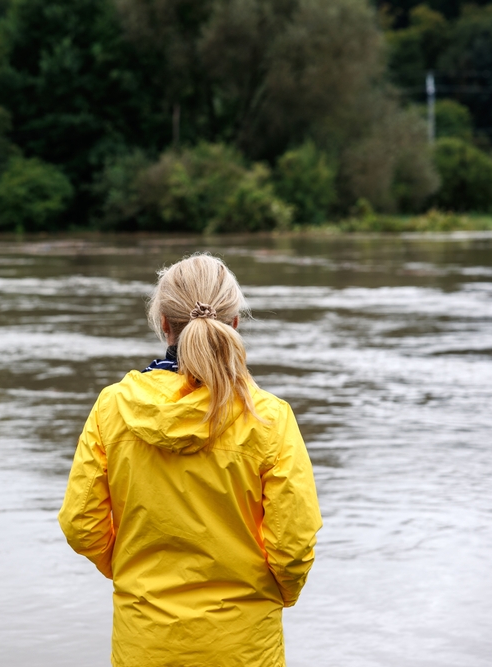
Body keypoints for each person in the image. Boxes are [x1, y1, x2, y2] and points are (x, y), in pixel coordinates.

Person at [58, 253, 322, 667]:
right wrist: (277, 593)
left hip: (144, 641)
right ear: (234, 324)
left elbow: (81, 524)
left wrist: (131, 570)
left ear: (164, 324)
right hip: (243, 645)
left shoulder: (113, 408)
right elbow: (293, 543)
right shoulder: (268, 418)